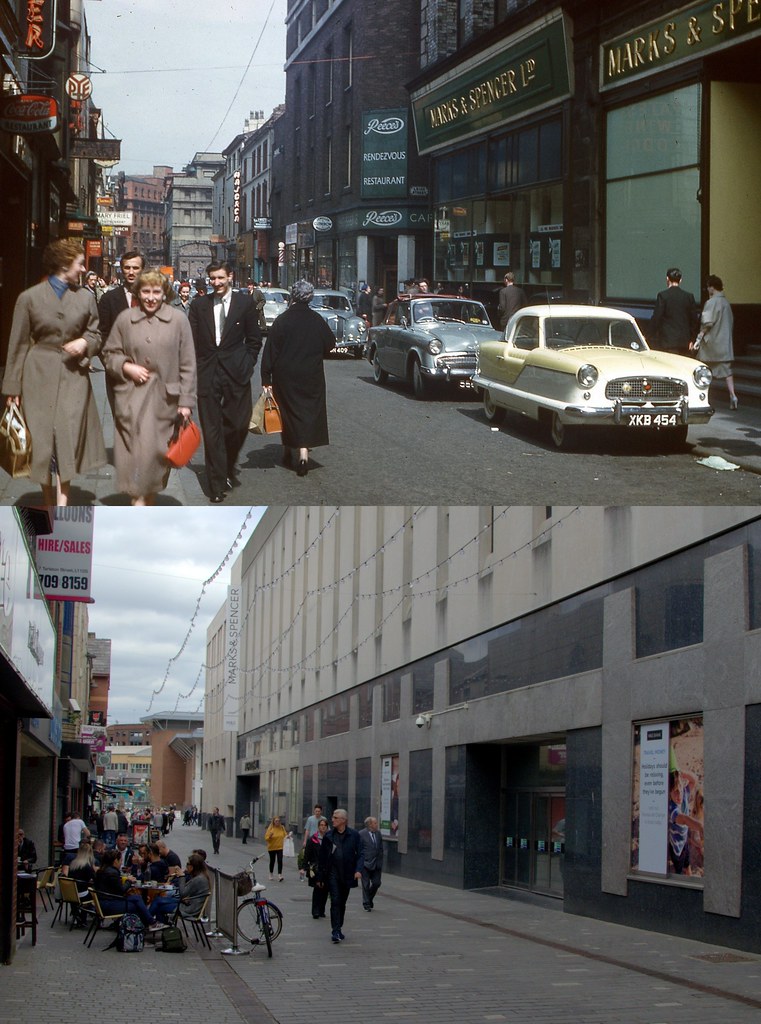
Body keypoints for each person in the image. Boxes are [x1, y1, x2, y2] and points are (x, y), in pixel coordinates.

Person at [2, 239, 107, 505]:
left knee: (68, 439)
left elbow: (95, 332)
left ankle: (62, 506)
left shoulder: (85, 297)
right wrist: (12, 388)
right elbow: (18, 344)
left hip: (73, 377)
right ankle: (47, 502)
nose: (84, 269)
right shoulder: (29, 298)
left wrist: (85, 343)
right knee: (41, 443)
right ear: (63, 264)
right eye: (80, 264)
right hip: (38, 376)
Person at [102, 268, 197, 506]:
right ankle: (140, 502)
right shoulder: (126, 319)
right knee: (135, 459)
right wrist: (126, 367)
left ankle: (145, 501)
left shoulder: (178, 320)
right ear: (138, 293)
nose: (151, 297)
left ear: (165, 293)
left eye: (156, 292)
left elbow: (188, 364)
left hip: (166, 403)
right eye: (146, 292)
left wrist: (186, 402)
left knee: (156, 463)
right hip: (131, 400)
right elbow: (109, 353)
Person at [188, 261, 262, 503]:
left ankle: (228, 464)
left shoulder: (245, 303)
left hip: (236, 373)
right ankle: (216, 484)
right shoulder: (199, 305)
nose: (216, 283)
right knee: (212, 431)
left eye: (220, 278)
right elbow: (192, 342)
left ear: (230, 277)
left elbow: (254, 340)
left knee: (239, 425)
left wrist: (247, 363)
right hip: (208, 374)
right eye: (212, 279)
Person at [260, 278, 334, 477]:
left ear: (293, 296)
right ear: (310, 297)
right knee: (308, 412)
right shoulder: (317, 320)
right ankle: (303, 455)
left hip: (285, 375)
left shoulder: (282, 320)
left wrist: (266, 378)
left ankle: (287, 449)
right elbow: (330, 344)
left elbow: (270, 352)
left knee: (288, 412)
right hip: (311, 374)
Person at [316, 808, 363, 944]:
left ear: (343, 820)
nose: (333, 819)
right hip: (332, 874)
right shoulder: (329, 836)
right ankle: (335, 930)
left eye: (335, 818)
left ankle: (339, 926)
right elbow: (323, 858)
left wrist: (358, 870)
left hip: (347, 874)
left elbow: (360, 854)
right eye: (333, 817)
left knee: (342, 902)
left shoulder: (354, 835)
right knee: (335, 900)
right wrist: (319, 877)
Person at [691, 274, 737, 409]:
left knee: (703, 370)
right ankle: (733, 395)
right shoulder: (726, 303)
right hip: (724, 344)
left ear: (711, 287)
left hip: (711, 344)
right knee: (727, 371)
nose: (708, 290)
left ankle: (703, 397)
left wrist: (698, 339)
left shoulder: (711, 303)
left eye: (708, 287)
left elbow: (707, 323)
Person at [94, 847, 158, 930]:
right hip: (109, 905)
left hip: (103, 903)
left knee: (137, 898)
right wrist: (129, 881)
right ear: (115, 861)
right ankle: (146, 925)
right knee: (138, 906)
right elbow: (121, 891)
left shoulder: (102, 871)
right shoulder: (112, 873)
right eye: (120, 860)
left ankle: (149, 923)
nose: (121, 863)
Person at [649, 267, 699, 355]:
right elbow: (694, 320)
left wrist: (648, 335)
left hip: (667, 341)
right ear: (680, 280)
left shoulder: (663, 296)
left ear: (667, 279)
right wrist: (692, 339)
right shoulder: (689, 297)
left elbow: (657, 317)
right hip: (684, 342)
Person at [304, 816, 329, 919]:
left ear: (327, 827)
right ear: (318, 827)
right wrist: (305, 867)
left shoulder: (329, 839)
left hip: (327, 868)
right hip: (316, 868)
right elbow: (307, 854)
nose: (323, 827)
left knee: (325, 889)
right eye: (321, 825)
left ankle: (322, 909)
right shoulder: (312, 839)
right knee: (317, 888)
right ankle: (315, 911)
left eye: (325, 826)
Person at [358, 816, 384, 911]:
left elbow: (381, 848)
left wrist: (380, 859)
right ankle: (366, 904)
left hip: (377, 863)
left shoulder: (378, 834)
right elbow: (358, 849)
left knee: (377, 883)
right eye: (375, 823)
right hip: (365, 864)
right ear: (370, 824)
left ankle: (369, 898)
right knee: (365, 884)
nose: (377, 825)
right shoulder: (361, 834)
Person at [265, 815, 288, 881]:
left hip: (280, 847)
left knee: (280, 860)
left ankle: (280, 875)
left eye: (278, 821)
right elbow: (266, 838)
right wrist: (270, 836)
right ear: (273, 821)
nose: (277, 822)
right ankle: (271, 874)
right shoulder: (271, 828)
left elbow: (285, 835)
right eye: (276, 821)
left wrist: (288, 836)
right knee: (272, 861)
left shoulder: (282, 828)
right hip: (272, 847)